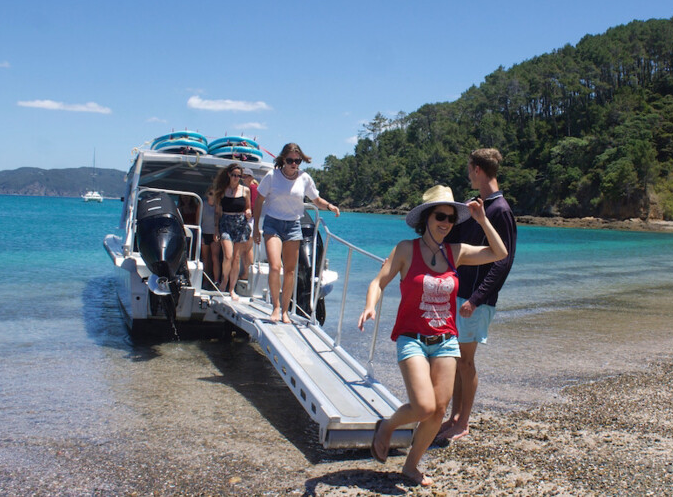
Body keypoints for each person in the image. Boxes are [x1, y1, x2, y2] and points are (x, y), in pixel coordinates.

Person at [358, 185, 508, 487]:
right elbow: (379, 281)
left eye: (451, 218)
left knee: (438, 410)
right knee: (424, 407)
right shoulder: (405, 249)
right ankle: (387, 426)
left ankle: (411, 466)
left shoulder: (456, 252)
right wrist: (370, 306)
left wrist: (481, 220)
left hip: (445, 341)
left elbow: (500, 253)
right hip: (411, 338)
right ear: (426, 217)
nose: (446, 223)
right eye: (440, 216)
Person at [437, 148, 517, 443]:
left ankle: (463, 423)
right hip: (463, 295)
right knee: (458, 360)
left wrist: (477, 298)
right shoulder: (481, 206)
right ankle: (454, 418)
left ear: (478, 170)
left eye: (469, 169)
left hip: (475, 300)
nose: (468, 174)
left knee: (466, 362)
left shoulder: (500, 210)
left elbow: (503, 260)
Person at [252, 143, 339, 323]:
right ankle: (275, 307)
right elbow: (259, 201)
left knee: (290, 271)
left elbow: (316, 200)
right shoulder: (272, 176)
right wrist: (255, 228)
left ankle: (285, 311)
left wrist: (330, 206)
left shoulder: (304, 178)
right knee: (276, 267)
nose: (294, 164)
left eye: (297, 161)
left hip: (293, 225)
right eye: (290, 160)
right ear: (283, 159)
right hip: (273, 224)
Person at [213, 163, 252, 300]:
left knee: (236, 258)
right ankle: (224, 281)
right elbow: (218, 212)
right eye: (234, 175)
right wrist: (216, 229)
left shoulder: (245, 190)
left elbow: (248, 207)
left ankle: (231, 289)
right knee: (228, 256)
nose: (236, 178)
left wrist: (248, 212)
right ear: (229, 175)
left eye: (239, 176)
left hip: (240, 224)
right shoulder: (223, 190)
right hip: (226, 223)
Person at [200, 187, 220, 289]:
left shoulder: (219, 206)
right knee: (205, 258)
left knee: (214, 257)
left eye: (215, 194)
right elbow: (197, 222)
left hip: (215, 234)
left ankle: (216, 281)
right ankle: (205, 280)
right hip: (204, 233)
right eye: (211, 193)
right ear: (207, 194)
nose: (213, 196)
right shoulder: (202, 205)